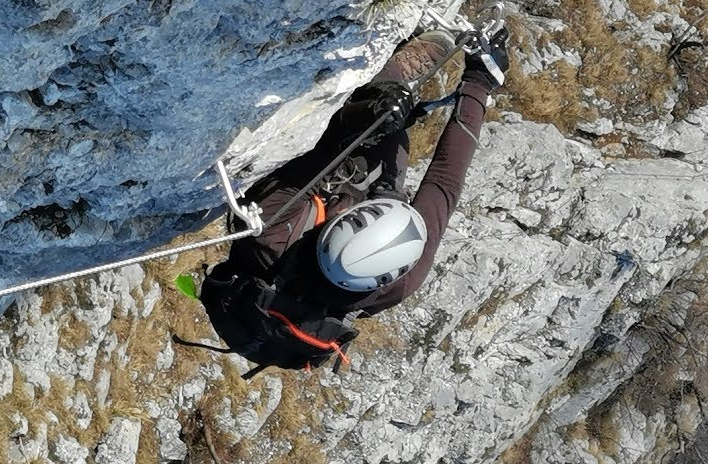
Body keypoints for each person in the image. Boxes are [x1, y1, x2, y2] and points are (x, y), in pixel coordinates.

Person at [188, 26, 511, 378]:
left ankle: (387, 79)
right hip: (332, 188)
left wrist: (365, 114)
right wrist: (480, 82)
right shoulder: (400, 278)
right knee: (389, 135)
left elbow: (314, 152)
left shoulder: (274, 231)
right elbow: (445, 184)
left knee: (377, 118)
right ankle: (389, 84)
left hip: (300, 199)